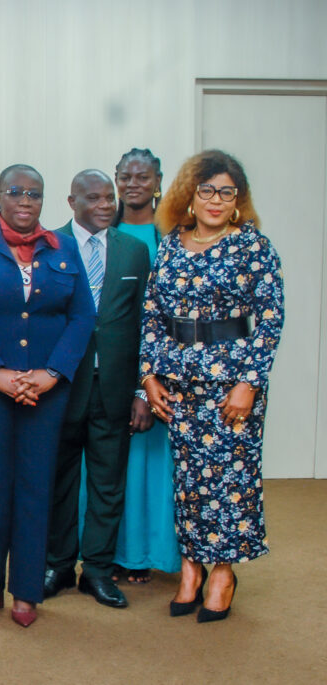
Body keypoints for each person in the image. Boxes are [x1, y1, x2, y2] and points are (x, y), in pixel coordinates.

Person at [0, 164, 94, 628]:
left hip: (46, 393)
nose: (25, 200)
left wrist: (52, 374)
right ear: (0, 196)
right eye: (16, 192)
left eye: (34, 193)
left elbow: (82, 317)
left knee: (35, 489)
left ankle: (27, 592)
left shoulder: (63, 248)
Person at [140, 149, 284, 623]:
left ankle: (222, 572)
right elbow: (152, 316)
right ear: (190, 195)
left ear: (237, 199)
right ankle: (191, 568)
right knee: (189, 483)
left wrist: (250, 382)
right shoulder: (171, 245)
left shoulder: (254, 247)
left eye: (227, 192)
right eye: (207, 190)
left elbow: (268, 319)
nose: (216, 200)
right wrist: (148, 377)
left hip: (230, 385)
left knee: (230, 481)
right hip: (178, 382)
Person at [43, 170, 151, 609]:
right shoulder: (49, 246)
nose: (107, 205)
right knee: (59, 482)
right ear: (72, 202)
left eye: (110, 197)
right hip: (62, 388)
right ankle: (58, 566)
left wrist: (143, 391)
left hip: (116, 388)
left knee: (108, 484)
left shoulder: (135, 252)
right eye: (95, 198)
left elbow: (150, 326)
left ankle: (100, 572)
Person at [108, 147, 180, 584]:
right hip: (107, 371)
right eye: (125, 176)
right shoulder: (103, 232)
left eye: (143, 176)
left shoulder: (173, 238)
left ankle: (145, 553)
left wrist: (148, 383)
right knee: (107, 465)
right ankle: (111, 552)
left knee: (149, 463)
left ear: (158, 181)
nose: (133, 184)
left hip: (159, 371)